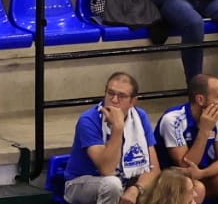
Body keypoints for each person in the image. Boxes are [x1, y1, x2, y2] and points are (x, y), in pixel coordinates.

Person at [62, 71, 161, 204]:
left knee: (173, 184)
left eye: (121, 96)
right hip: (81, 183)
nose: (114, 100)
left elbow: (153, 168)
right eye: (110, 93)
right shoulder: (88, 120)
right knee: (112, 185)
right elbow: (106, 169)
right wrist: (118, 128)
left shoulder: (140, 117)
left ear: (133, 101)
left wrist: (135, 190)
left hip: (125, 181)